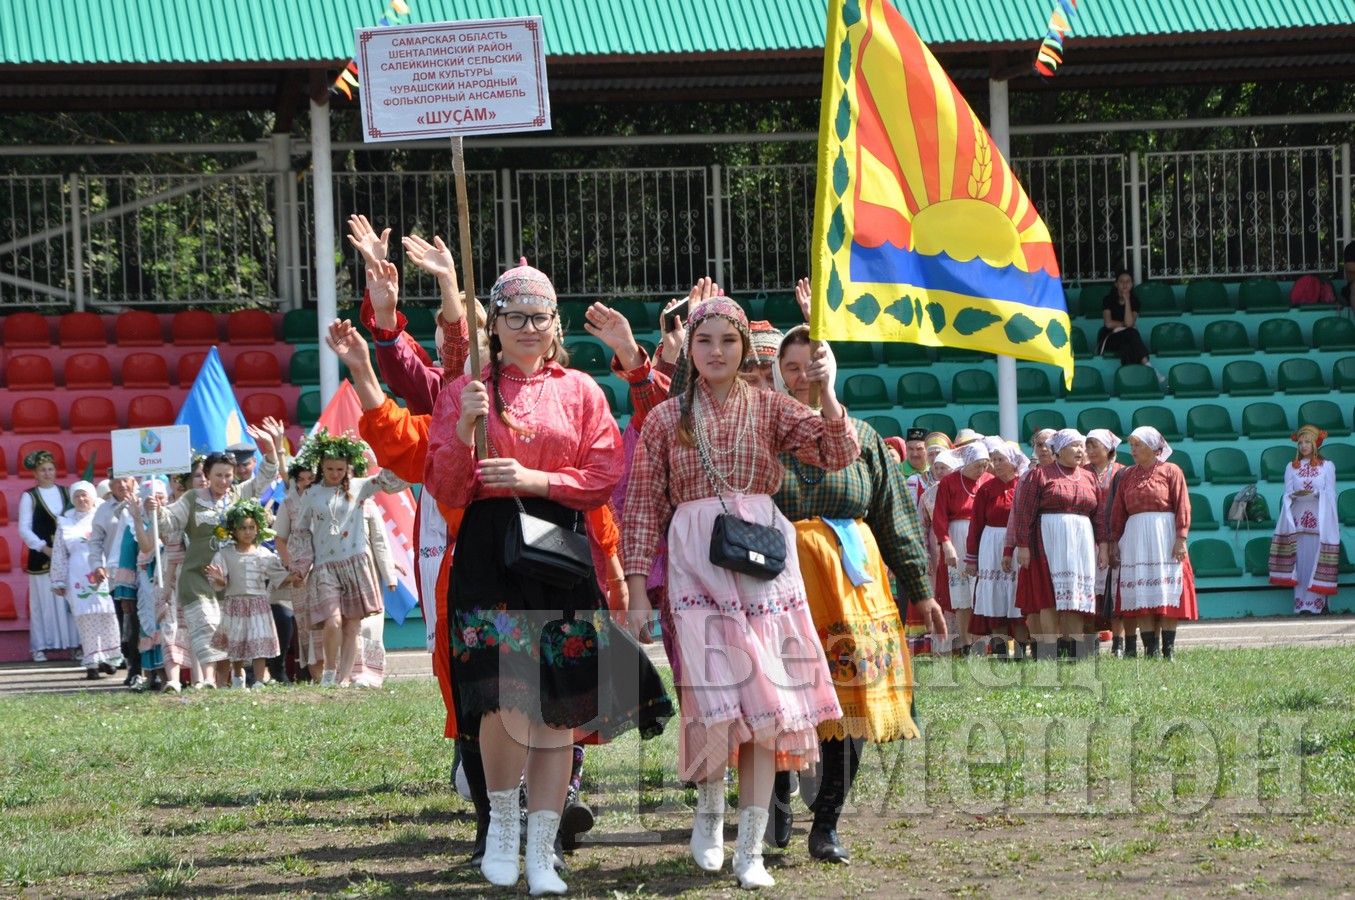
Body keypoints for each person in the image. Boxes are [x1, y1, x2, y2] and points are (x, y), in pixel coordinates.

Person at [426, 258, 672, 896]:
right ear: (496, 325)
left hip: (560, 551)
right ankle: (501, 831)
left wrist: (535, 480)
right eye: (515, 317)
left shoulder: (582, 391)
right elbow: (447, 485)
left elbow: (601, 478)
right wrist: (462, 428)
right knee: (503, 697)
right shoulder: (466, 390)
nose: (529, 327)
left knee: (559, 706)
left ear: (555, 323)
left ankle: (544, 846)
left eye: (540, 316)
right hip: (489, 552)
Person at [623, 295, 857, 890]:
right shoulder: (664, 419)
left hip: (760, 560)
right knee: (710, 696)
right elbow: (644, 506)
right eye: (705, 342)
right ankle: (708, 811)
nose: (717, 352)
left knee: (766, 706)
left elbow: (837, 452)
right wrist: (634, 586)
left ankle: (749, 848)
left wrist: (828, 390)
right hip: (694, 562)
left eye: (729, 341)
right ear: (691, 350)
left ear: (745, 348)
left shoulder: (771, 407)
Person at [768, 324, 944, 864]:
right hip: (783, 582)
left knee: (853, 704)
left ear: (831, 370)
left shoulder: (863, 438)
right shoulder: (764, 433)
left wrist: (921, 589)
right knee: (778, 699)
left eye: (813, 366)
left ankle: (826, 822)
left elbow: (894, 518)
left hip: (854, 587)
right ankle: (774, 801)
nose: (802, 377)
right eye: (792, 368)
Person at [157, 426, 282, 688]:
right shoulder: (192, 498)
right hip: (198, 575)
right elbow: (169, 523)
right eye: (218, 475)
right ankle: (209, 680)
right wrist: (155, 509)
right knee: (206, 625)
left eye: (228, 475)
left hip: (230, 578)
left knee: (227, 633)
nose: (224, 481)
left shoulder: (238, 495)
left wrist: (270, 449)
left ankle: (227, 682)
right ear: (207, 475)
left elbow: (265, 477)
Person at [287, 429, 405, 687]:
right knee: (333, 620)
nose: (335, 474)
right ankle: (329, 671)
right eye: (330, 469)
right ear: (322, 467)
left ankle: (343, 678)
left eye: (340, 469)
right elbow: (300, 532)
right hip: (325, 568)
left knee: (352, 626)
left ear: (348, 467)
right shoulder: (311, 494)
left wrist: (393, 455)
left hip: (355, 564)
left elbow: (391, 479)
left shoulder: (359, 487)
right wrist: (300, 566)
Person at [1010, 429, 1103, 660]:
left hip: (1080, 541)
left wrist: (1104, 545)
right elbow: (1024, 513)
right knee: (1048, 597)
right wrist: (1023, 545)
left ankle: (1075, 650)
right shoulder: (1040, 475)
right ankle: (1048, 651)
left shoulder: (1089, 477)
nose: (1081, 450)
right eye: (1074, 446)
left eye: (1082, 446)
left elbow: (1099, 514)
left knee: (1076, 597)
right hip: (1047, 540)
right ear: (1059, 450)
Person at [1108, 427, 1198, 659]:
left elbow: (1182, 505)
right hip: (1136, 538)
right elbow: (1118, 511)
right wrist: (1114, 541)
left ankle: (1168, 650)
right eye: (1132, 445)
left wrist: (1181, 538)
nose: (1133, 450)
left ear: (1153, 448)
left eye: (1138, 445)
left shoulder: (1171, 471)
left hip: (1164, 534)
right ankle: (1151, 650)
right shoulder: (1127, 475)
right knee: (1142, 592)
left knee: (1166, 591)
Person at [206, 499, 292, 688]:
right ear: (233, 530)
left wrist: (293, 577)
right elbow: (219, 578)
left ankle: (259, 680)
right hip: (235, 604)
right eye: (243, 528)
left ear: (258, 529)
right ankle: (237, 676)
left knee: (258, 641)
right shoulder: (226, 553)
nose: (247, 532)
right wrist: (220, 581)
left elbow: (278, 574)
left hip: (258, 604)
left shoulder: (263, 553)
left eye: (252, 527)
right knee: (237, 644)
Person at [50, 481, 123, 679]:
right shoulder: (65, 522)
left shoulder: (103, 515)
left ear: (92, 496)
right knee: (85, 618)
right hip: (77, 575)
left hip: (103, 570)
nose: (82, 499)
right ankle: (92, 662)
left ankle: (109, 658)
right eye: (77, 496)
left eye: (85, 495)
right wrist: (58, 580)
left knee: (108, 615)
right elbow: (59, 553)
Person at [965, 439, 1029, 658]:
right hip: (991, 545)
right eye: (994, 459)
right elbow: (975, 525)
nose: (996, 464)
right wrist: (971, 558)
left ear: (1013, 461)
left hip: (1018, 544)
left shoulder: (1024, 485)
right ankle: (1001, 651)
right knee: (995, 598)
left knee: (1016, 597)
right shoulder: (986, 489)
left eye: (1001, 459)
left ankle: (1020, 650)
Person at [1269, 425, 1339, 615]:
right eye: (1300, 443)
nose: (1303, 446)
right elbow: (1286, 494)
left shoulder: (1327, 466)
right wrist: (1292, 496)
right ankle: (1302, 605)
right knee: (1300, 563)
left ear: (1315, 443)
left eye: (1307, 442)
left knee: (1317, 560)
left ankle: (1319, 604)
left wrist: (1317, 494)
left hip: (1319, 520)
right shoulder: (1291, 467)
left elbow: (1331, 494)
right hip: (1298, 521)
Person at [931, 440, 992, 653]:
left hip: (983, 537)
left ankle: (981, 642)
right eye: (978, 465)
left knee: (981, 591)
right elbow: (939, 515)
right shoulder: (949, 482)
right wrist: (946, 544)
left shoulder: (988, 481)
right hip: (958, 535)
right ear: (967, 462)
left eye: (985, 465)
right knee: (961, 593)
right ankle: (966, 643)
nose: (982, 470)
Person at [18, 450, 79, 662]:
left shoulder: (66, 492)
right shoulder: (29, 496)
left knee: (69, 601)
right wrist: (44, 548)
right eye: (42, 470)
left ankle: (75, 644)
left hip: (68, 556)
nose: (47, 473)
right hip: (42, 558)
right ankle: (40, 647)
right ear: (35, 473)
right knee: (44, 601)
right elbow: (24, 529)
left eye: (50, 469)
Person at [87, 472, 139, 685]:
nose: (122, 485)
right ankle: (132, 667)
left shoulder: (145, 502)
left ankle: (146, 669)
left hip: (146, 571)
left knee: (142, 622)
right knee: (125, 624)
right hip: (117, 577)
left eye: (126, 479)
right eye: (117, 481)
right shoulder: (103, 510)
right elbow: (96, 541)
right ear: (110, 485)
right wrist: (97, 565)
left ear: (133, 481)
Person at [273, 461, 318, 682]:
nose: (306, 483)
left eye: (310, 478)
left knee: (327, 614)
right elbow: (280, 537)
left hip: (324, 562)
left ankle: (331, 666)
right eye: (301, 479)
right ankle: (308, 671)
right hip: (299, 567)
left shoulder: (325, 497)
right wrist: (290, 564)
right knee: (304, 619)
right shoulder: (289, 503)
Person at [1085, 429, 1127, 655]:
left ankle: (1118, 642)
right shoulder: (1081, 473)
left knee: (1115, 590)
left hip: (1115, 536)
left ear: (1108, 448)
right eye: (1087, 446)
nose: (1089, 451)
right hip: (1086, 538)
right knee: (1089, 591)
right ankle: (1090, 640)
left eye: (1094, 446)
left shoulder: (1121, 472)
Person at [1098, 269, 1153, 369]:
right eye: (1121, 281)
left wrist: (1127, 300)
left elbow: (1129, 323)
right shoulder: (1108, 299)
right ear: (1116, 284)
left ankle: (1129, 377)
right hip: (1110, 337)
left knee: (1127, 348)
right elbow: (1109, 324)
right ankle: (1148, 366)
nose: (1125, 284)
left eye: (1128, 281)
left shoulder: (1135, 301)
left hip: (1126, 338)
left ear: (1132, 284)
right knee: (1132, 332)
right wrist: (1125, 325)